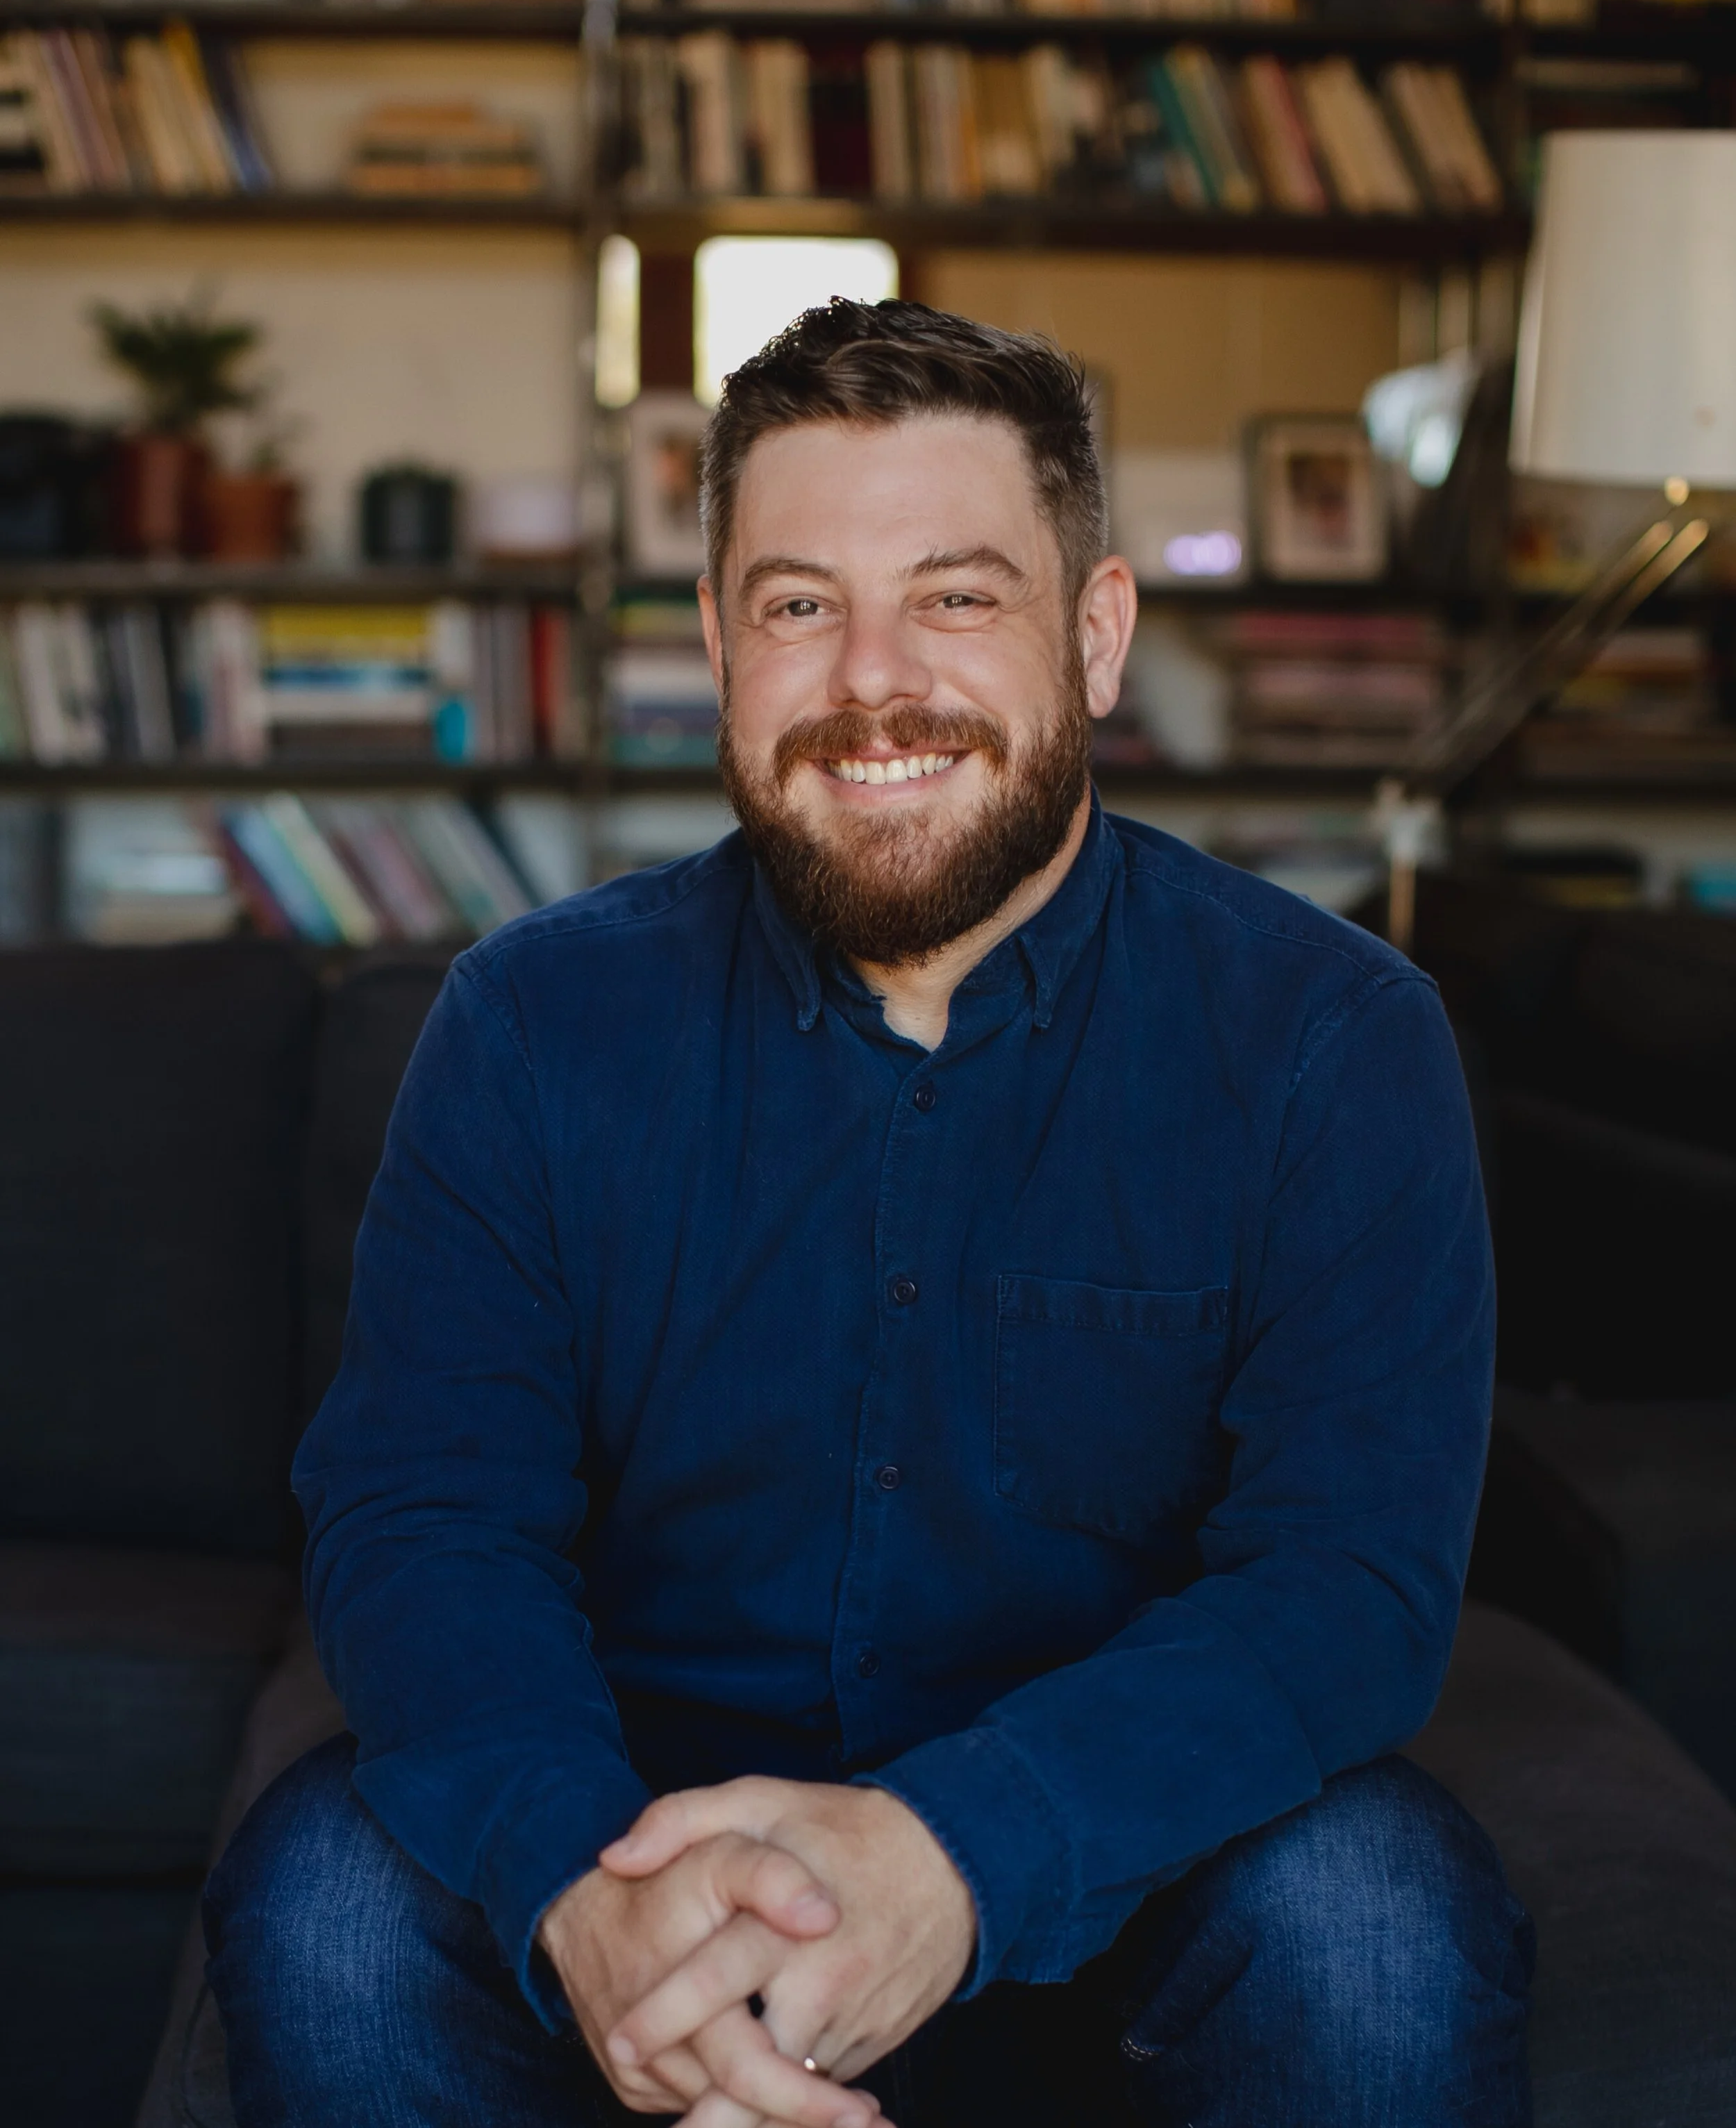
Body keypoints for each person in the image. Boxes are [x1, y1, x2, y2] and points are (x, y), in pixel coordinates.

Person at [206, 300, 1533, 2128]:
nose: (869, 678)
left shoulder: (1326, 1039)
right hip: (648, 1822)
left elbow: (1345, 1583)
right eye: (798, 602)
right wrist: (595, 1899)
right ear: (716, 648)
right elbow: (423, 1516)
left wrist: (956, 1855)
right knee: (330, 1904)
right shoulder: (531, 1021)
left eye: (958, 596)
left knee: (1374, 1924)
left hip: (1123, 1855)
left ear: (1097, 632)